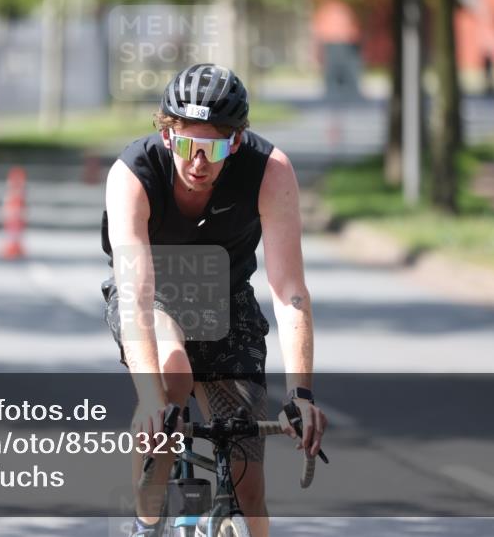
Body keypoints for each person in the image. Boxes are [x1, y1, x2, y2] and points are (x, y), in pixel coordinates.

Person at [101, 63, 327, 537]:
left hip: (226, 299)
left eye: (213, 148)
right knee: (170, 377)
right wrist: (148, 400)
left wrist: (301, 393)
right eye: (186, 145)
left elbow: (289, 291)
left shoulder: (270, 171)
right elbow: (136, 294)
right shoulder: (132, 174)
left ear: (237, 142)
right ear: (167, 135)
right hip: (152, 294)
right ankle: (147, 522)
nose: (198, 162)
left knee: (248, 483)